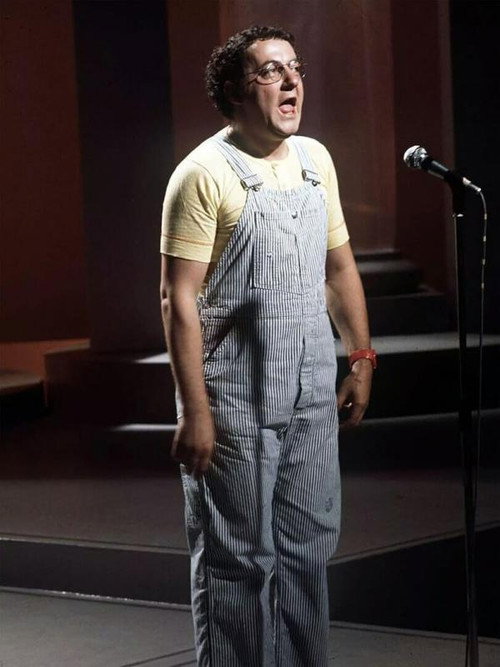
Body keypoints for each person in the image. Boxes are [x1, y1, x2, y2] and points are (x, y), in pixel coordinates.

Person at [160, 25, 375, 666]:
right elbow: (177, 300)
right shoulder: (203, 175)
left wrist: (361, 356)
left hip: (310, 394)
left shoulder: (314, 160)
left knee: (308, 549)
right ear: (234, 91)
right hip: (235, 401)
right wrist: (195, 412)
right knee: (237, 561)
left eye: (295, 68)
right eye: (270, 71)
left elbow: (338, 267)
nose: (290, 82)